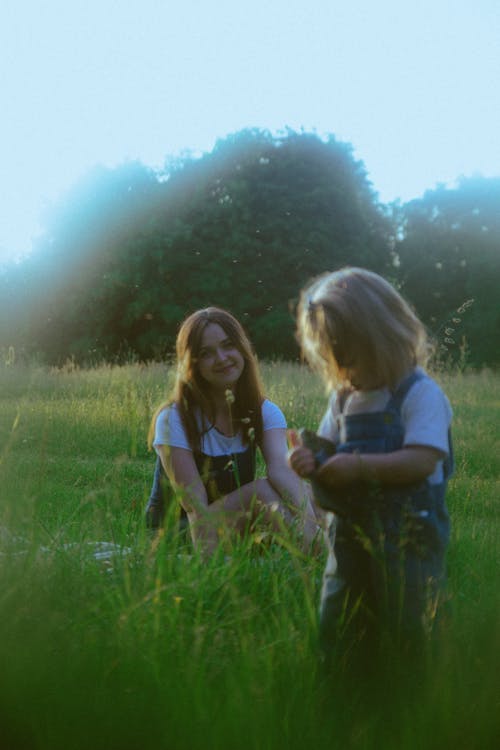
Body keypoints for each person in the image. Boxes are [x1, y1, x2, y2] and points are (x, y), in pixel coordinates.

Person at [288, 267, 453, 666]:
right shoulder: (344, 400)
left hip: (408, 538)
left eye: (351, 358)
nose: (346, 372)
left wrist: (357, 466)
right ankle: (344, 684)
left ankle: (408, 693)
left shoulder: (419, 394)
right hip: (347, 537)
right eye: (335, 361)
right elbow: (331, 453)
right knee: (340, 615)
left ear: (386, 337)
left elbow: (421, 459)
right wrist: (311, 461)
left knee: (407, 618)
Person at [146, 307, 319, 555]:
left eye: (228, 345)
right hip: (179, 534)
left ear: (242, 348)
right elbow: (195, 507)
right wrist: (210, 570)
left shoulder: (264, 411)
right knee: (261, 492)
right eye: (206, 353)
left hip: (231, 524)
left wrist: (311, 516)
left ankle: (330, 552)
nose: (222, 358)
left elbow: (281, 470)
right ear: (191, 363)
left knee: (311, 495)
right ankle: (320, 556)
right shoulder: (174, 418)